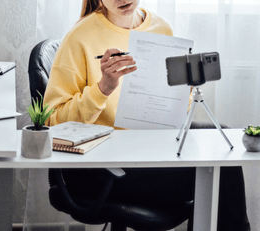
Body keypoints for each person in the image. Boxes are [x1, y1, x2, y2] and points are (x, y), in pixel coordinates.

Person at [44, 1, 250, 230]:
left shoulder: (161, 29)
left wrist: (183, 94)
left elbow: (173, 113)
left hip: (148, 150)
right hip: (103, 168)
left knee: (221, 144)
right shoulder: (79, 37)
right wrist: (102, 88)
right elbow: (52, 123)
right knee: (220, 173)